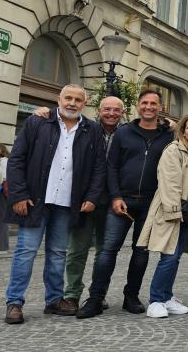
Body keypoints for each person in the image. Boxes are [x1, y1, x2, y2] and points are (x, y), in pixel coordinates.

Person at [4, 84, 106, 324]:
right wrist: (18, 195)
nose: (72, 103)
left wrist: (91, 197)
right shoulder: (38, 122)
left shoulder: (91, 129)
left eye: (77, 100)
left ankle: (53, 300)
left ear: (85, 103)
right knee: (25, 253)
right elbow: (16, 159)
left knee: (58, 254)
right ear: (59, 99)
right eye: (68, 98)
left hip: (67, 204)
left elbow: (98, 168)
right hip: (34, 200)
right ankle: (14, 302)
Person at [78, 90, 175, 319]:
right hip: (122, 201)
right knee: (108, 250)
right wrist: (116, 197)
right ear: (138, 106)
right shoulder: (124, 132)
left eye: (153, 103)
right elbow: (111, 167)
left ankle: (131, 296)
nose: (149, 107)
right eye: (145, 103)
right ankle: (95, 298)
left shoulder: (168, 136)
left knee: (141, 253)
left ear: (160, 108)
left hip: (152, 203)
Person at [137, 114, 188, 318]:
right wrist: (174, 213)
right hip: (174, 213)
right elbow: (169, 184)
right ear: (182, 131)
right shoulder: (173, 151)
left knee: (175, 257)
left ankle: (167, 297)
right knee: (168, 257)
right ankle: (155, 300)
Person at [59, 96, 123, 312]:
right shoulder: (85, 128)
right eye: (107, 109)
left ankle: (98, 294)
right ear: (99, 110)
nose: (111, 113)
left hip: (113, 201)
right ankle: (72, 294)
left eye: (116, 110)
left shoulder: (126, 133)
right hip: (85, 200)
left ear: (122, 112)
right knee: (77, 249)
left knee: (105, 252)